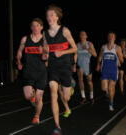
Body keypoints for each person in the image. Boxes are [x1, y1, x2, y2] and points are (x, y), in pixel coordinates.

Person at [44, 5, 77, 135]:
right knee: (53, 93)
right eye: (47, 15)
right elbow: (46, 50)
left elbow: (74, 48)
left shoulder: (65, 31)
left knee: (66, 97)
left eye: (52, 15)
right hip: (53, 67)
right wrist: (45, 56)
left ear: (57, 17)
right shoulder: (45, 34)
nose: (49, 18)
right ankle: (57, 126)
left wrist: (63, 52)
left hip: (65, 66)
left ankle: (70, 89)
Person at [16, 18, 47, 125]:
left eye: (37, 25)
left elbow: (47, 57)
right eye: (33, 26)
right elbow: (20, 51)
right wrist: (19, 61)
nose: (35, 28)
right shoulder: (25, 39)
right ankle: (32, 96)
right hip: (28, 71)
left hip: (41, 72)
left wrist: (42, 53)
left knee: (39, 98)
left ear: (41, 27)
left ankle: (36, 116)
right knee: (28, 96)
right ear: (31, 27)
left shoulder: (45, 40)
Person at [96, 32, 123, 111]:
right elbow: (100, 56)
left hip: (114, 70)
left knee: (111, 88)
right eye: (109, 36)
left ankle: (111, 103)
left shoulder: (117, 48)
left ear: (115, 38)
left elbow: (121, 60)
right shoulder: (103, 47)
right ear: (107, 38)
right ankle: (107, 93)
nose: (111, 37)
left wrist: (119, 58)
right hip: (104, 69)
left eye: (112, 36)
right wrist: (98, 64)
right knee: (104, 88)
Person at [77, 31, 97, 105]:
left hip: (87, 64)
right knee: (80, 80)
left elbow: (95, 55)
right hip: (79, 64)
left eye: (83, 35)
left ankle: (91, 97)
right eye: (81, 35)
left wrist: (87, 49)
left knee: (89, 82)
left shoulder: (89, 44)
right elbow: (75, 55)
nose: (82, 36)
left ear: (86, 36)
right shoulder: (77, 44)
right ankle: (83, 97)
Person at [58, 52, 77, 118]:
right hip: (56, 71)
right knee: (60, 91)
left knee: (66, 96)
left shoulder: (67, 46)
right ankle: (67, 109)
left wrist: (74, 65)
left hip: (66, 71)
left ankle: (71, 87)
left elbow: (75, 52)